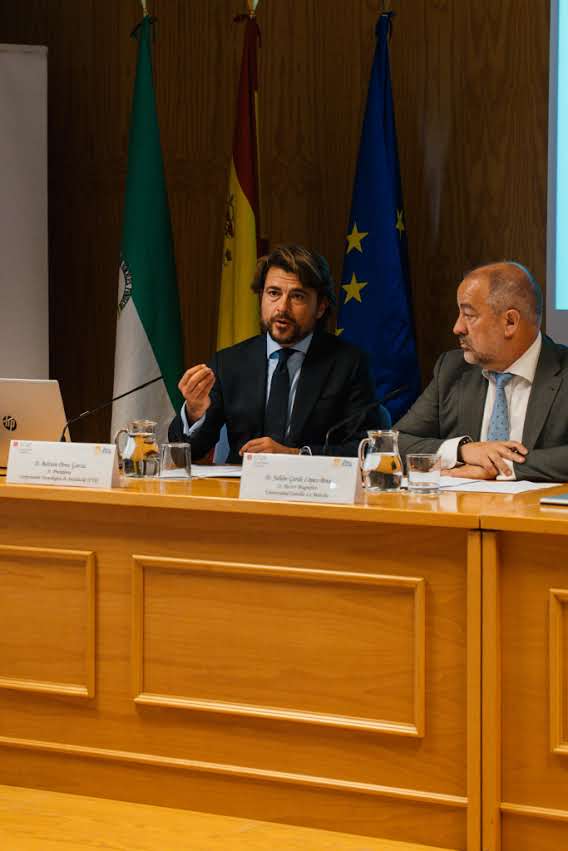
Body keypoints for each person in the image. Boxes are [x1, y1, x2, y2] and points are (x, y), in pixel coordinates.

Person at [169, 244, 384, 463]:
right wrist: (195, 412)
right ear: (261, 296)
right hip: (242, 493)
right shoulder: (229, 362)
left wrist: (295, 456)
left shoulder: (349, 363)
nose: (282, 307)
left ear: (320, 307)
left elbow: (367, 449)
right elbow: (187, 453)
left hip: (315, 492)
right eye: (273, 293)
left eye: (297, 296)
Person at [395, 261, 568, 481]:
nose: (457, 327)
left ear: (510, 322)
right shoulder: (452, 369)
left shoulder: (563, 372)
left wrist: (502, 466)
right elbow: (396, 442)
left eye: (469, 315)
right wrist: (462, 450)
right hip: (462, 510)